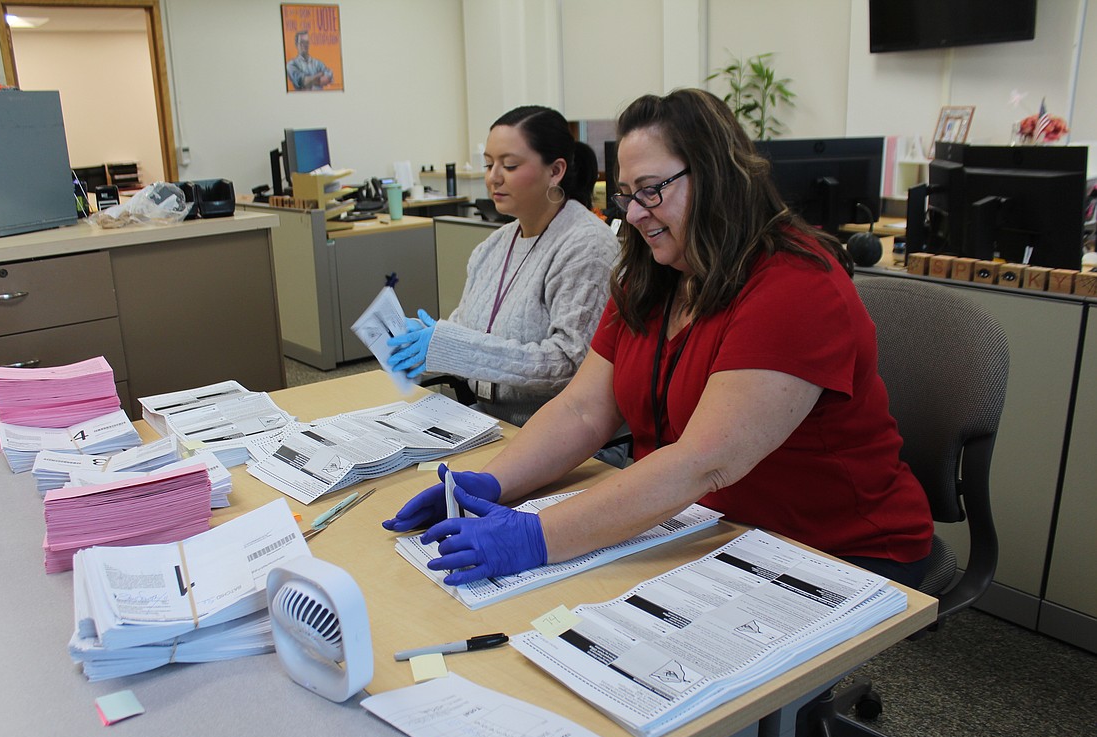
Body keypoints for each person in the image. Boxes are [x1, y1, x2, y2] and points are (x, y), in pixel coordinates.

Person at [384, 88, 934, 590]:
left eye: (651, 191)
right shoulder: (652, 272)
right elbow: (581, 410)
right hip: (699, 522)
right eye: (625, 196)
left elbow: (704, 461)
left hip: (826, 547)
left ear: (718, 175)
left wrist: (537, 536)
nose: (635, 215)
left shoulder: (795, 287)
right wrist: (490, 483)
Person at [386, 106, 619, 427]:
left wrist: (453, 346)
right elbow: (468, 335)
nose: (493, 177)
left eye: (509, 165)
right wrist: (426, 349)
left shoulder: (587, 246)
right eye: (488, 164)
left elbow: (569, 364)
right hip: (487, 422)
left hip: (562, 436)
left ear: (555, 171)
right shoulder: (492, 247)